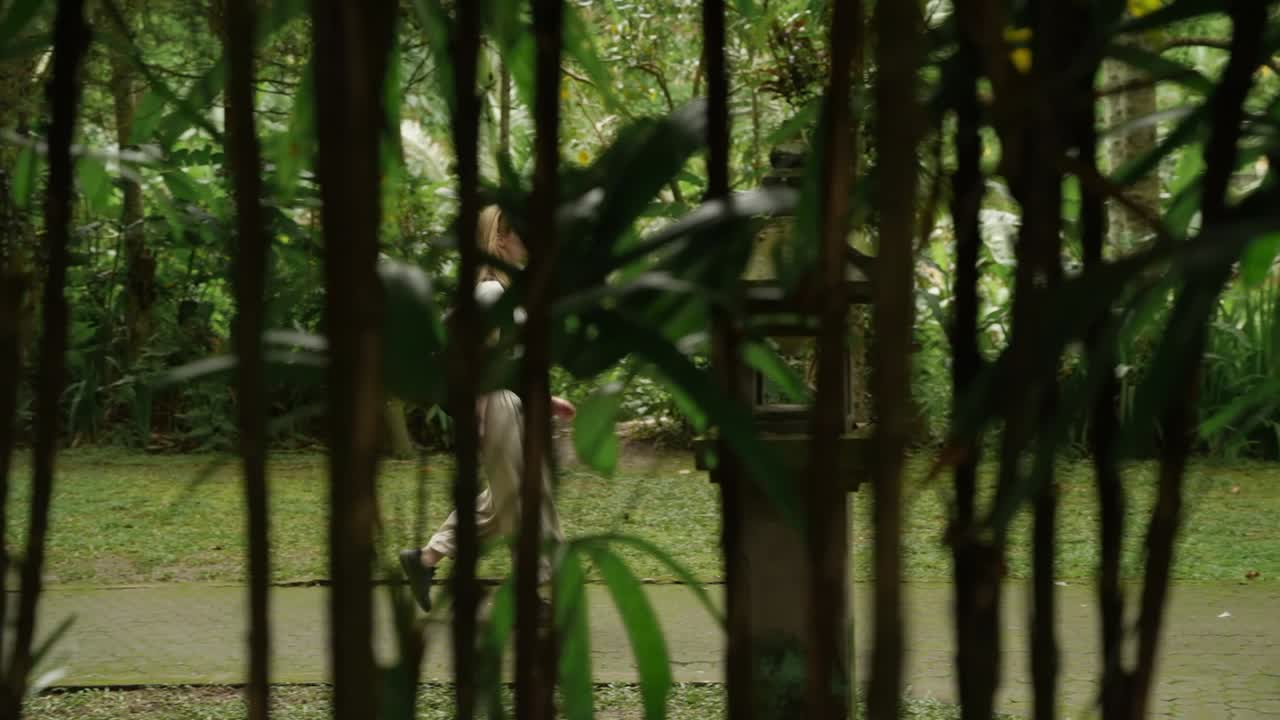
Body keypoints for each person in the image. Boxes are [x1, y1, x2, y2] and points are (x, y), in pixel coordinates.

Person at [399, 205, 575, 613]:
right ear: (500, 239)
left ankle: (424, 560)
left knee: (500, 500)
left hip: (502, 403)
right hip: (493, 407)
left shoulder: (502, 292)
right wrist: (477, 416)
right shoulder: (491, 291)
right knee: (525, 496)